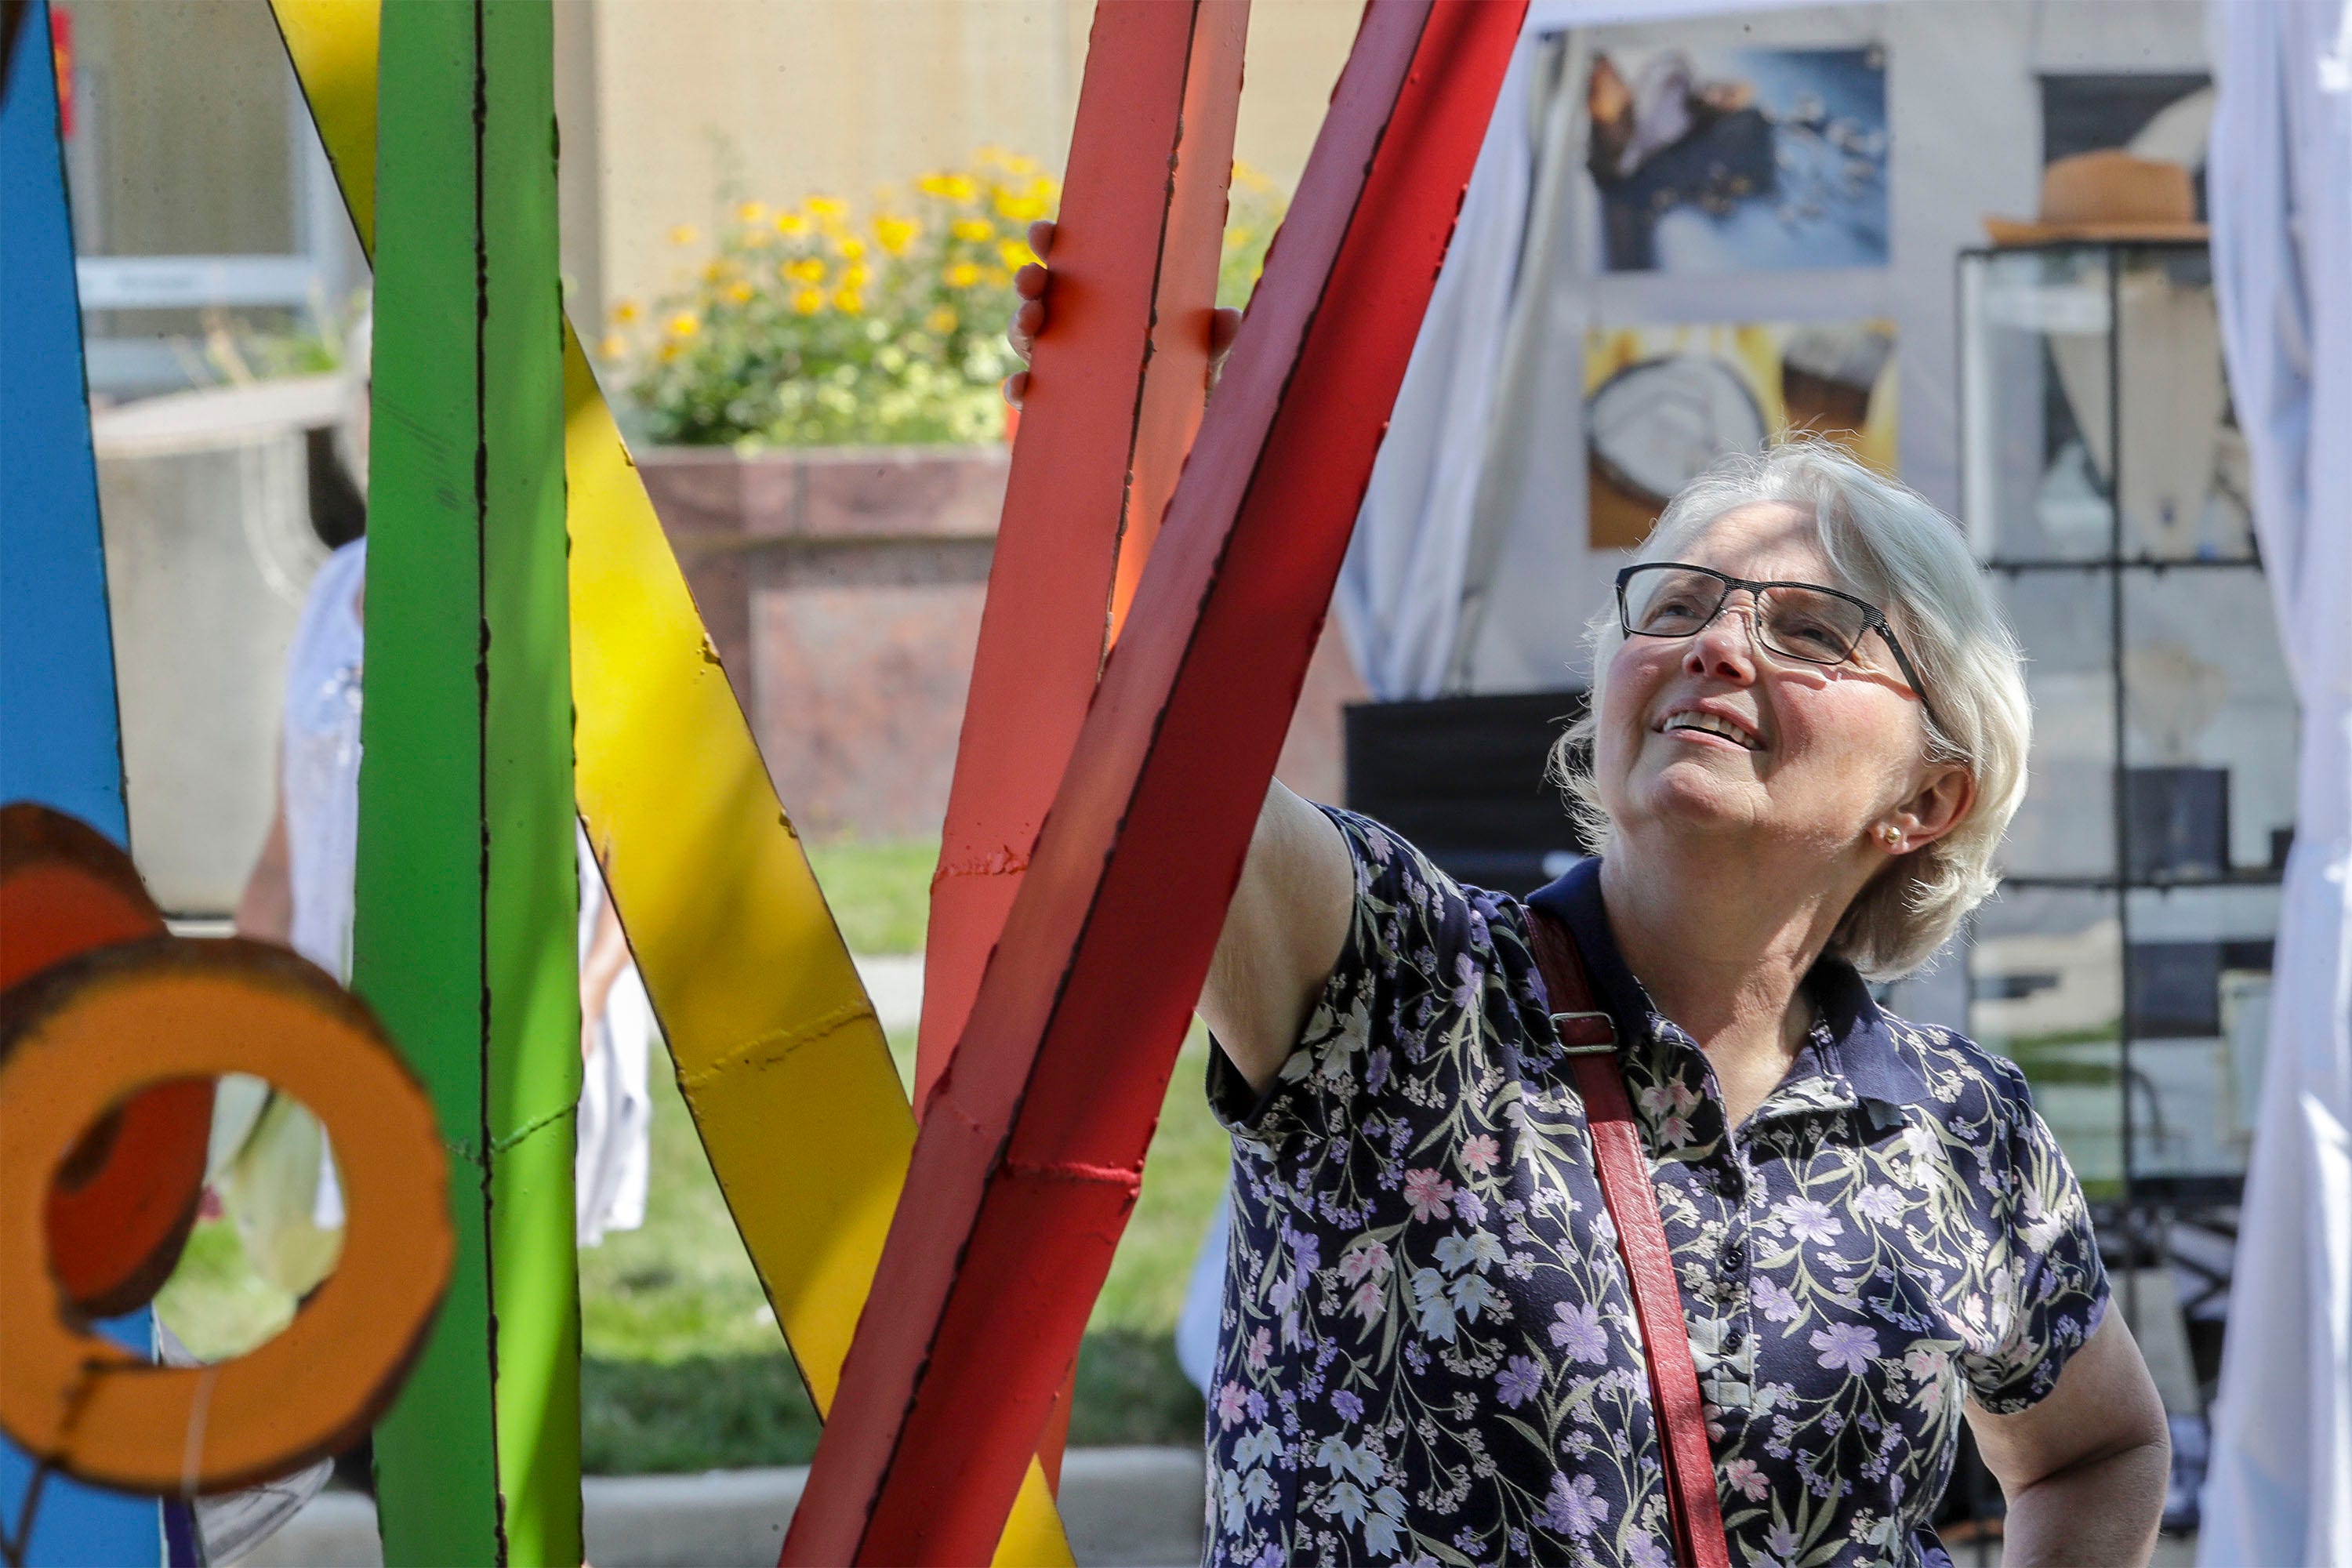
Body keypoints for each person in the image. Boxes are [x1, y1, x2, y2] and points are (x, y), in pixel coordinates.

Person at [1007, 222, 2170, 1566]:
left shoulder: (1962, 1125)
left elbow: (2099, 1449)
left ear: (1927, 800)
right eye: (1674, 610)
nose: (1716, 646)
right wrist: (1127, 468)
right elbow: (1151, 762)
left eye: (1808, 632)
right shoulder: (1401, 979)